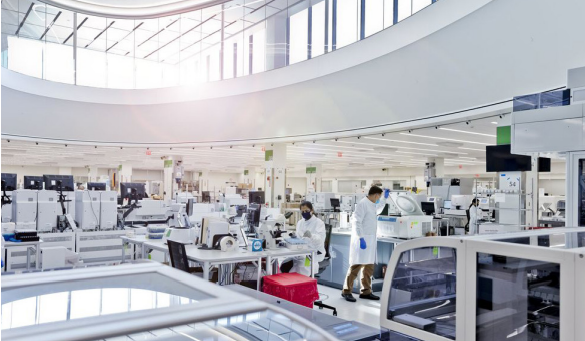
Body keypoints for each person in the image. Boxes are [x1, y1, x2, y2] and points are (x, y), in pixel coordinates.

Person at [342, 186, 389, 302]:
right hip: (362, 239)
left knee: (369, 267)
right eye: (380, 197)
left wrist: (385, 199)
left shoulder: (372, 204)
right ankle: (346, 291)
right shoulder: (362, 204)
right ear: (375, 195)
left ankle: (366, 291)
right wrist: (361, 238)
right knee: (355, 267)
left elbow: (378, 209)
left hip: (371, 240)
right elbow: (356, 222)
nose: (379, 199)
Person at [288, 201, 327, 276]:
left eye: (306, 211)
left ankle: (305, 283)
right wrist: (294, 236)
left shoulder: (319, 223)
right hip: (302, 251)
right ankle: (295, 284)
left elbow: (320, 240)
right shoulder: (300, 222)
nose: (304, 213)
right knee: (287, 264)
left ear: (311, 210)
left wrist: (311, 236)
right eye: (302, 211)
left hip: (313, 253)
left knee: (304, 266)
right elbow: (299, 237)